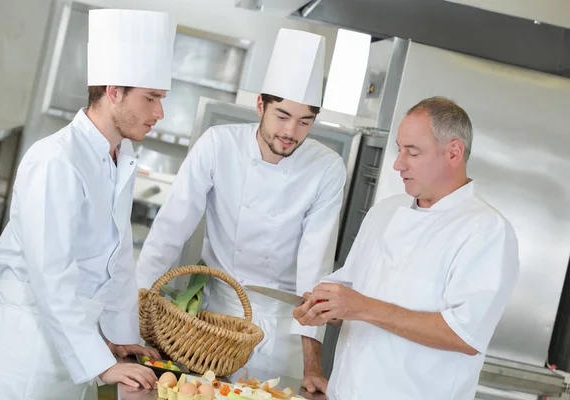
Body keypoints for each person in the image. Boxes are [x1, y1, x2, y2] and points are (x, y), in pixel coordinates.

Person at [0, 9, 177, 400]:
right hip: (22, 356)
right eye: (151, 99)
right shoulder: (56, 159)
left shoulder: (120, 158)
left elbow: (115, 265)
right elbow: (52, 274)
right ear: (114, 91)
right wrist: (101, 362)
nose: (159, 113)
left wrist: (118, 341)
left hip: (73, 356)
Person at [136, 28, 346, 392]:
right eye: (282, 116)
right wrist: (134, 316)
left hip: (283, 330)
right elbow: (170, 230)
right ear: (261, 105)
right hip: (211, 328)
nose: (291, 132)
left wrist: (313, 365)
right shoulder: (219, 144)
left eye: (305, 122)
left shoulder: (327, 167)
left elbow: (315, 271)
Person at [294, 97, 520, 399]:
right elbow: (351, 286)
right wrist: (323, 306)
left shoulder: (487, 230)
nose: (398, 164)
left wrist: (361, 307)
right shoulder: (384, 211)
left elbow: (464, 334)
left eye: (412, 152)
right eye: (399, 149)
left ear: (454, 152)